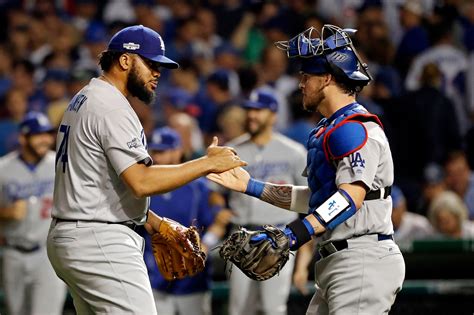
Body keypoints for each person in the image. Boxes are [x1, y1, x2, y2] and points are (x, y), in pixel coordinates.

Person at [46, 25, 246, 314]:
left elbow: (104, 182)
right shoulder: (111, 106)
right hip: (98, 239)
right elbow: (140, 181)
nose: (157, 72)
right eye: (150, 63)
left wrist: (153, 222)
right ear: (125, 60)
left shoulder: (87, 97)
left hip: (80, 234)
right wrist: (208, 163)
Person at [207, 24, 405, 314]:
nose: (300, 83)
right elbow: (319, 199)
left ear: (326, 78)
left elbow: (349, 198)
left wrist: (292, 234)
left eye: (306, 76)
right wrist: (251, 186)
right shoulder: (331, 127)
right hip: (340, 259)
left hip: (362, 257)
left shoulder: (353, 129)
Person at [219, 88, 308, 315]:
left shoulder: (294, 152)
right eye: (249, 110)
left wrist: (304, 260)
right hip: (241, 236)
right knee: (238, 309)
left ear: (274, 115)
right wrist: (219, 207)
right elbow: (214, 191)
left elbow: (309, 200)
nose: (252, 116)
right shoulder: (233, 150)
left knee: (273, 309)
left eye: (259, 111)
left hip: (279, 238)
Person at [141, 126, 232, 315]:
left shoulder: (199, 186)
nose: (156, 157)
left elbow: (220, 220)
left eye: (162, 152)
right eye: (154, 151)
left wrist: (205, 246)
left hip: (193, 282)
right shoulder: (143, 186)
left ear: (178, 151)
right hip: (154, 280)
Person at [0, 112, 66, 315]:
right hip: (13, 253)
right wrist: (5, 212)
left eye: (47, 133)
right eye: (38, 134)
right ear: (23, 138)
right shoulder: (3, 168)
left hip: (48, 254)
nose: (45, 139)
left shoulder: (60, 164)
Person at [391, 185, 434, 251]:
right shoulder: (377, 228)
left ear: (403, 207)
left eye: (394, 209)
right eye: (388, 210)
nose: (392, 214)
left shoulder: (420, 224)